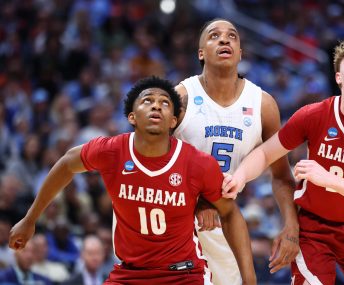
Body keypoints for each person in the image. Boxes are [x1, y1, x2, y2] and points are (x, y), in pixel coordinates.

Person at [8, 76, 256, 285]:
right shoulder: (111, 151)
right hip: (129, 273)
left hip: (183, 274)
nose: (156, 106)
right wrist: (30, 219)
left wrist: (249, 280)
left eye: (165, 103)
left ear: (173, 120)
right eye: (147, 101)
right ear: (132, 117)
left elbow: (231, 214)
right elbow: (66, 163)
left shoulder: (197, 163)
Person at [223, 31, 344, 285]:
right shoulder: (313, 115)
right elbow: (266, 152)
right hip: (314, 230)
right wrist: (240, 176)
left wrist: (330, 180)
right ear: (338, 76)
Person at [173, 18, 299, 285]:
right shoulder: (180, 97)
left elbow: (280, 174)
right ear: (201, 52)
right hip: (174, 217)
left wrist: (291, 226)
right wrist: (197, 201)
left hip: (222, 220)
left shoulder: (262, 104)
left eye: (232, 36)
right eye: (214, 36)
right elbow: (153, 161)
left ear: (240, 53)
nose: (224, 40)